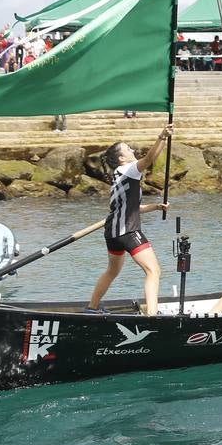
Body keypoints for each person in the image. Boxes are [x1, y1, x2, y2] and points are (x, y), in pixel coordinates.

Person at [86, 125, 173, 316]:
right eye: (128, 149)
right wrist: (162, 137)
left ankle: (91, 308)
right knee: (153, 271)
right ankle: (152, 315)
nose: (132, 150)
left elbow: (133, 208)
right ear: (121, 158)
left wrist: (156, 207)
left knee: (112, 271)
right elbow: (150, 159)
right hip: (128, 231)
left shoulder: (118, 177)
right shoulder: (129, 170)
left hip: (112, 233)